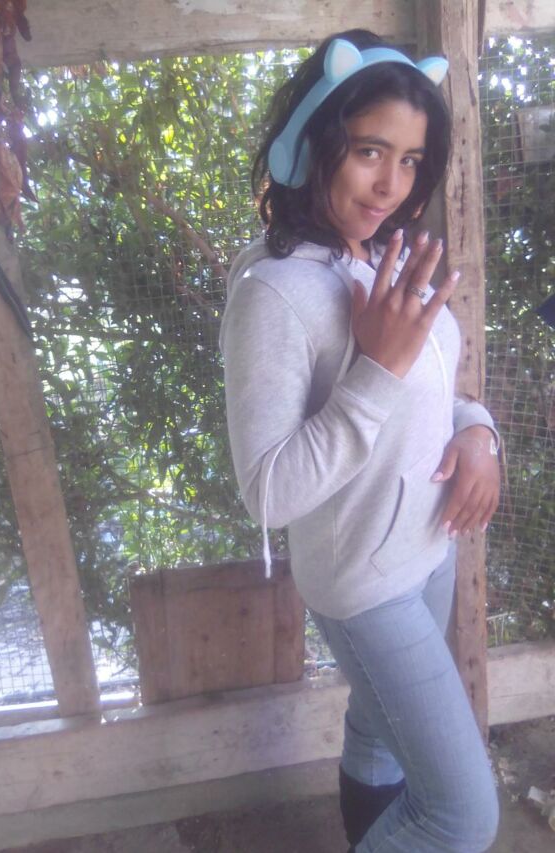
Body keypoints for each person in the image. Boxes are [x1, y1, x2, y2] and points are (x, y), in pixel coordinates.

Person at [219, 29, 501, 853]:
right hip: (364, 580)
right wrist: (374, 370)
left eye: (411, 160)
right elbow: (267, 489)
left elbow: (430, 389)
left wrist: (478, 432)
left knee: (377, 734)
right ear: (314, 142)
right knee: (463, 814)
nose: (392, 185)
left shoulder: (378, 253)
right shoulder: (276, 291)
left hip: (430, 547)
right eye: (370, 150)